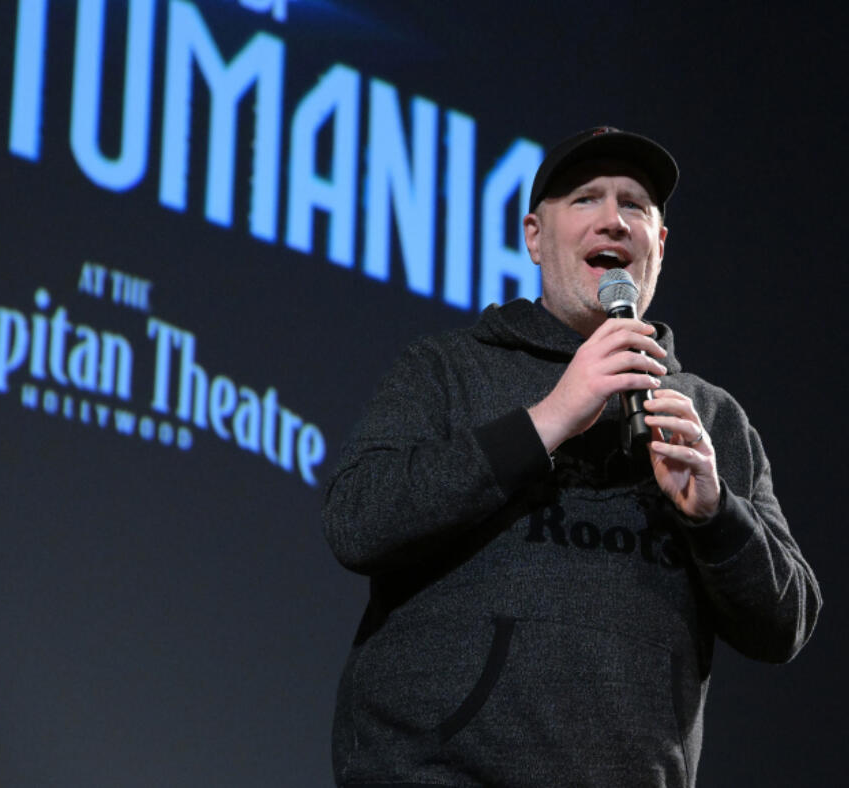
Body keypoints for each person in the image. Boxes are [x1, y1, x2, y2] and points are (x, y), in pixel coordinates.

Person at [322, 126, 821, 787]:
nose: (612, 220)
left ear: (659, 246)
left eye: (634, 206)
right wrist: (550, 419)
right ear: (535, 235)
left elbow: (784, 624)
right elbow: (359, 520)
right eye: (585, 199)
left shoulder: (712, 418)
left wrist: (715, 513)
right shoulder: (447, 369)